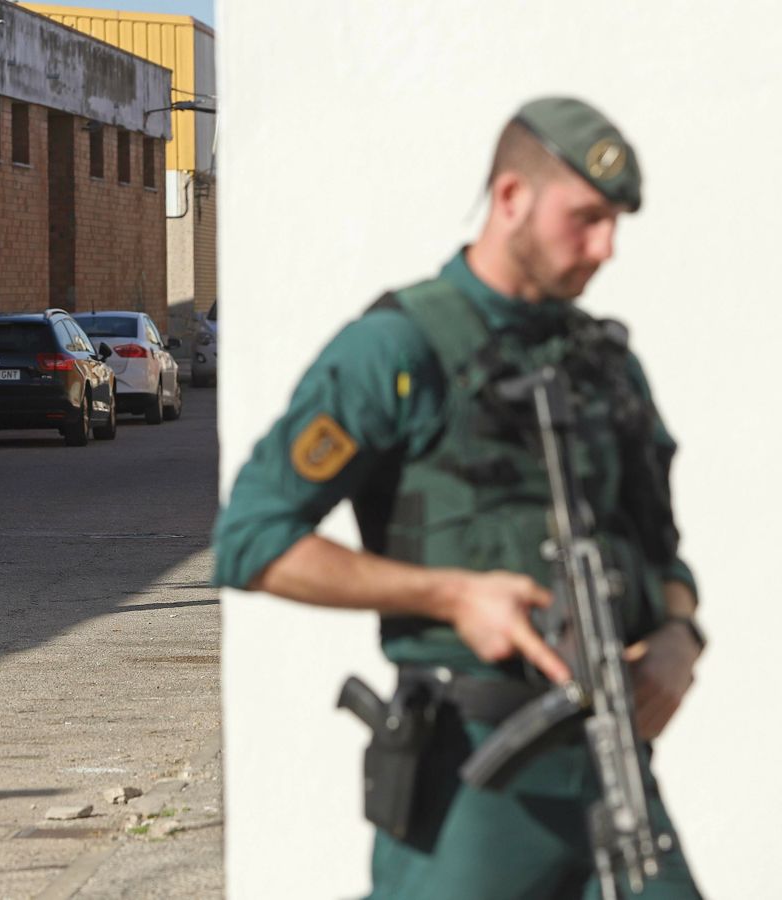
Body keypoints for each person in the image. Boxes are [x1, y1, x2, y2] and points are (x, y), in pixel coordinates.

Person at [213, 97, 706, 897]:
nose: (606, 247)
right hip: (470, 779)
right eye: (585, 218)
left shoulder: (606, 366)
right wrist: (450, 595)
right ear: (511, 197)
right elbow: (252, 541)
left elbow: (662, 548)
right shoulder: (398, 349)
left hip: (614, 769)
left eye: (614, 223)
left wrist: (681, 636)